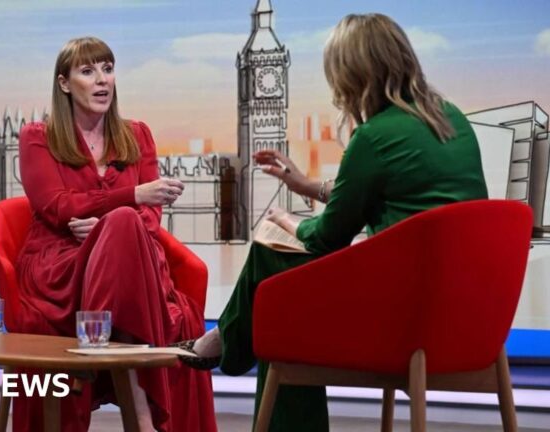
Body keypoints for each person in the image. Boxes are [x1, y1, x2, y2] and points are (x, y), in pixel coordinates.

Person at [177, 13, 489, 431]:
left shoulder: (373, 137)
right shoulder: (452, 118)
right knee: (280, 297)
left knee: (276, 281)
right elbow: (383, 193)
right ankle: (225, 341)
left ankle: (226, 342)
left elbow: (327, 237)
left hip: (403, 323)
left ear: (352, 75)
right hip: (468, 317)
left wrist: (286, 221)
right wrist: (306, 185)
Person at [15, 37, 217, 432]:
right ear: (64, 83)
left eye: (107, 69)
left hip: (129, 260)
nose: (102, 79)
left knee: (124, 227)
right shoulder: (37, 137)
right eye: (88, 71)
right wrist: (131, 196)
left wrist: (108, 232)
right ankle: (141, 417)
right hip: (63, 266)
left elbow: (149, 221)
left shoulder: (137, 135)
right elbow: (57, 206)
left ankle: (111, 380)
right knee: (123, 220)